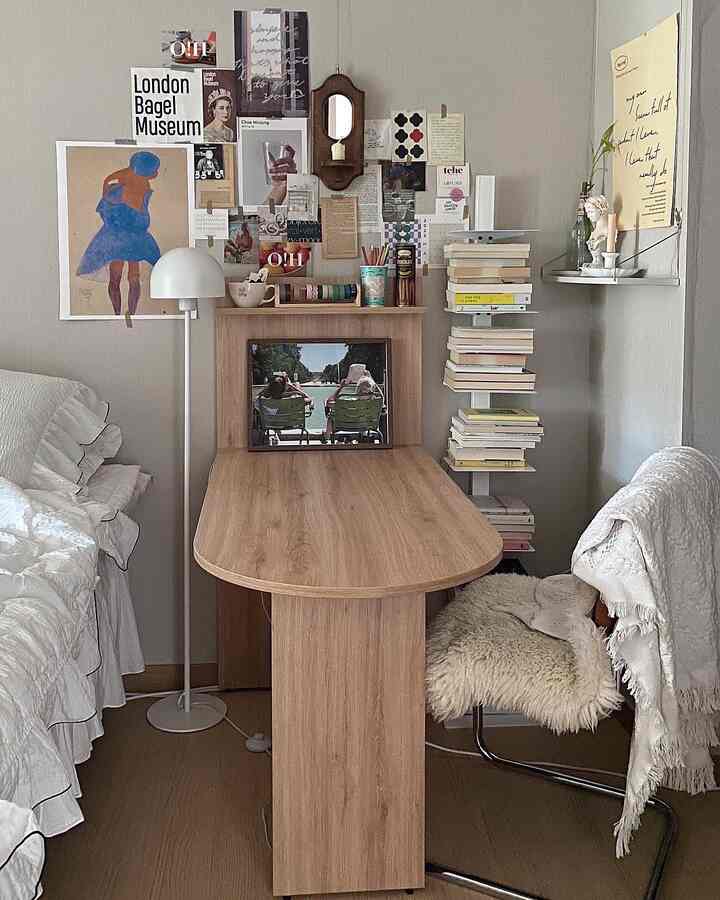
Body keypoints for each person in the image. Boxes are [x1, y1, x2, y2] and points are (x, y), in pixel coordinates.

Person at [76, 150, 161, 316]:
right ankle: (118, 313)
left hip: (134, 236)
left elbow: (140, 211)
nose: (155, 174)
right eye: (153, 171)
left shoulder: (140, 184)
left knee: (132, 278)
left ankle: (130, 313)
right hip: (118, 237)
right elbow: (106, 211)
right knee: (118, 276)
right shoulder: (117, 186)